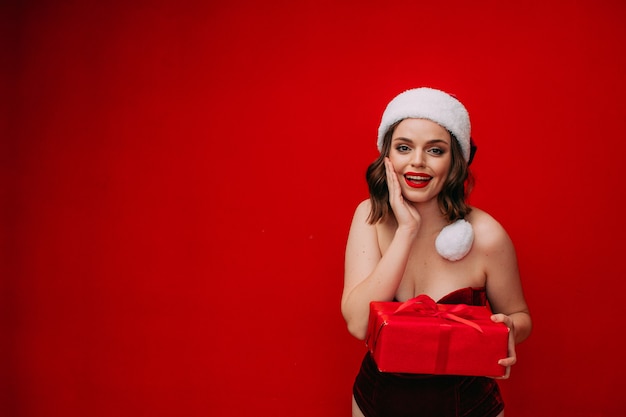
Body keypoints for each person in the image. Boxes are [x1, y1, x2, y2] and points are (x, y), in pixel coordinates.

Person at [341, 87, 532, 417]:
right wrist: (406, 231)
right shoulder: (369, 216)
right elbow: (359, 324)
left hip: (469, 408)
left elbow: (520, 316)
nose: (417, 161)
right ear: (387, 156)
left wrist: (510, 329)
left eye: (435, 150)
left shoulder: (486, 235)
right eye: (404, 147)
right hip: (374, 406)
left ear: (456, 159)